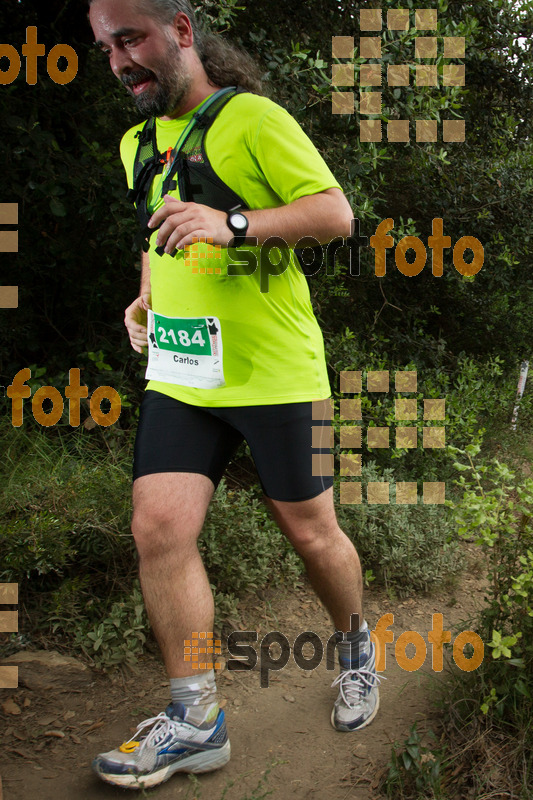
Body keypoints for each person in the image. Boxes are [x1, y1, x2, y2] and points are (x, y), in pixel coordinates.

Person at [88, 0, 381, 789]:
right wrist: (146, 292)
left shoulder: (251, 118)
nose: (120, 60)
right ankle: (195, 721)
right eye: (107, 47)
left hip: (281, 376)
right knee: (157, 527)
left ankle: (355, 649)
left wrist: (236, 225)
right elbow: (160, 229)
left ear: (181, 31)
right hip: (183, 374)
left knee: (312, 535)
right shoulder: (136, 142)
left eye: (132, 39)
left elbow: (334, 216)